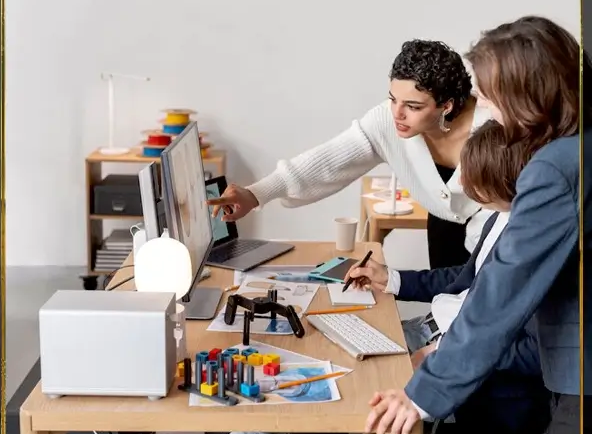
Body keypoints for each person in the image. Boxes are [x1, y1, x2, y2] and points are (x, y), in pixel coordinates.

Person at [186, 119, 551, 434]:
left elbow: (530, 350)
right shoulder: (500, 219)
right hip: (430, 333)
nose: (462, 186)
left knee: (270, 398)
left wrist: (446, 355)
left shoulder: (534, 241)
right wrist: (390, 278)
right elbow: (463, 278)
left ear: (498, 179)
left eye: (472, 179)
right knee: (297, 358)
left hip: (453, 360)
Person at [364, 16, 590, 434]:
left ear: (526, 93)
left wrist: (422, 392)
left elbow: (500, 295)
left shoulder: (554, 169)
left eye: (487, 92)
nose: (481, 103)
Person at [207, 39, 493, 269]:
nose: (398, 114)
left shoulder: (494, 127)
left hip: (496, 241)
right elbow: (329, 160)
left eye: (414, 106)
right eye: (393, 99)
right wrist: (256, 194)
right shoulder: (388, 121)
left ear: (447, 106)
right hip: (443, 234)